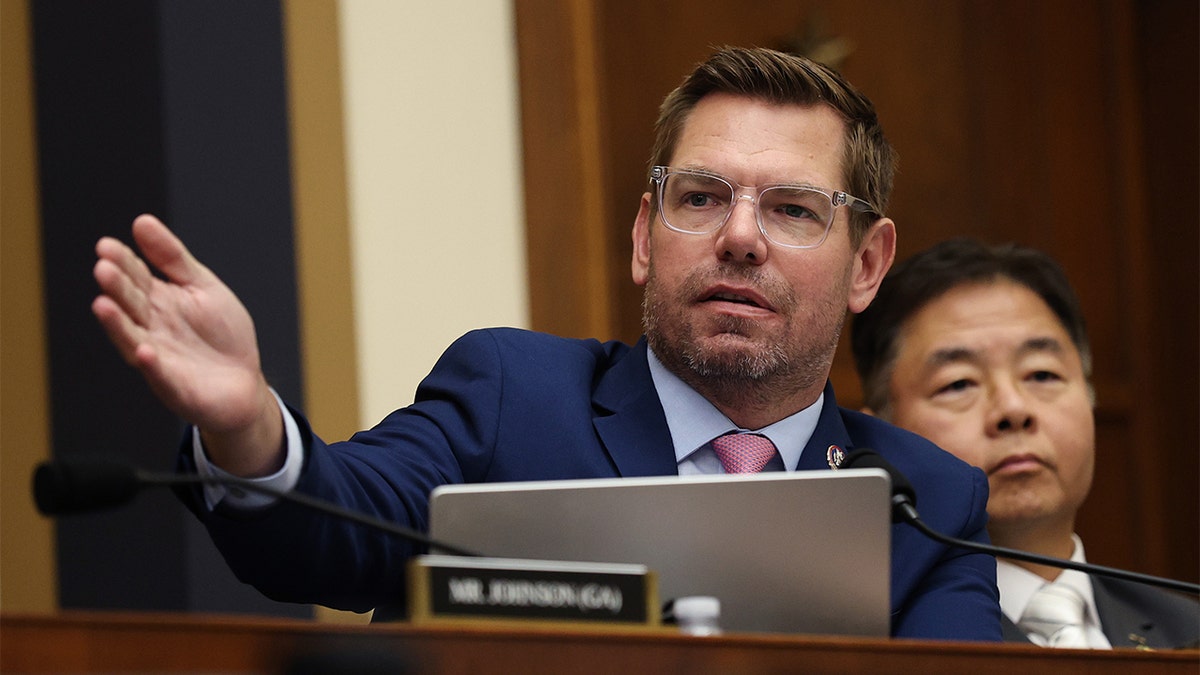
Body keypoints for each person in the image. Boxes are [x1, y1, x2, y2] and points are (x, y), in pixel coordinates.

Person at [91, 47, 1001, 640]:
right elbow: (325, 534)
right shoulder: (511, 398)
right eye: (700, 196)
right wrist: (250, 428)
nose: (739, 237)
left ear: (867, 264)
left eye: (793, 209)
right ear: (646, 237)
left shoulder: (929, 504)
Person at [851, 237, 1199, 649]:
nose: (1013, 409)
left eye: (1042, 374)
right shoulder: (864, 645)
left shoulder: (1188, 633)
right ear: (884, 437)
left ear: (1089, 397)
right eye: (958, 383)